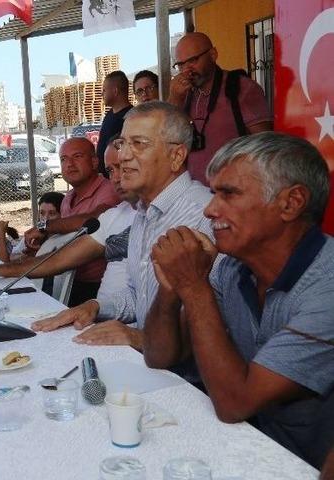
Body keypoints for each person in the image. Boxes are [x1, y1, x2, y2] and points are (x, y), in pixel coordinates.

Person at [143, 132, 334, 468]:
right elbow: (160, 356)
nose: (210, 208)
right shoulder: (234, 268)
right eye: (214, 192)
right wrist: (171, 289)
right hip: (246, 448)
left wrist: (194, 285)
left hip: (298, 465)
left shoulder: (327, 286)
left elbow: (234, 404)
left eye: (228, 194)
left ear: (291, 203)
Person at [0, 138, 137, 346]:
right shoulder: (115, 214)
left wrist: (43, 228)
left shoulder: (123, 202)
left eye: (122, 167)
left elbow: (87, 223)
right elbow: (59, 259)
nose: (117, 178)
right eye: (111, 170)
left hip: (101, 302)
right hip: (97, 310)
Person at [168, 31, 272, 184]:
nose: (186, 70)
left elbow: (267, 146)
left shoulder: (241, 88)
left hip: (233, 192)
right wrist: (175, 99)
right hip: (191, 196)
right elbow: (164, 137)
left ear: (213, 54)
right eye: (181, 65)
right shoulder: (183, 93)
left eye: (193, 60)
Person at [55, 137, 120, 306]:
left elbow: (93, 219)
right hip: (69, 279)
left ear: (94, 162)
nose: (69, 164)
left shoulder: (110, 189)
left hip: (100, 288)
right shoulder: (67, 198)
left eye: (77, 156)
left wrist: (44, 227)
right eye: (64, 159)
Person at [96, 70, 133, 173]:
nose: (101, 94)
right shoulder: (109, 114)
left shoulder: (132, 117)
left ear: (115, 91)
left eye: (104, 90)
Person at [10, 191, 64, 260]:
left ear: (63, 214)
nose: (45, 218)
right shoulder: (35, 233)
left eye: (52, 213)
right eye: (42, 213)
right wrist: (24, 257)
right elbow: (12, 257)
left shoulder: (66, 237)